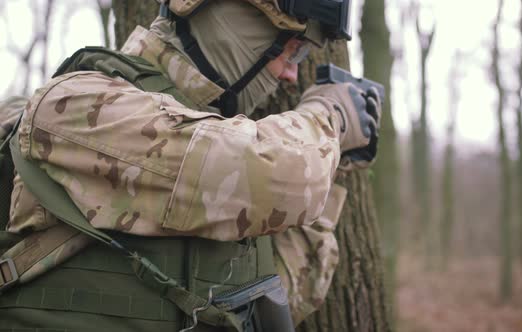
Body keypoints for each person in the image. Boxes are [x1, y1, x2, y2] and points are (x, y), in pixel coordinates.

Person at [0, 0, 381, 330]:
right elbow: (279, 174)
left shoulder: (211, 164)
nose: (290, 74)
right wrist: (331, 118)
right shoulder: (79, 108)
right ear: (231, 25)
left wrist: (332, 163)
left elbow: (274, 296)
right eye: (292, 51)